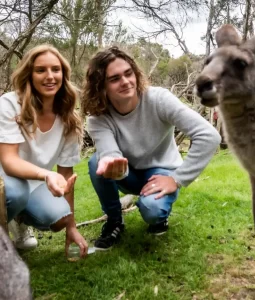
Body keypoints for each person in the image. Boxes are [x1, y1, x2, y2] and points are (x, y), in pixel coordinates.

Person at [81, 46, 221, 250]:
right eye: (115, 78)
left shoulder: (158, 99)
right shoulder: (98, 117)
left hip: (161, 170)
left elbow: (209, 136)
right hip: (127, 173)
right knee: (96, 162)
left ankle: (158, 217)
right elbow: (110, 153)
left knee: (153, 210)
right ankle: (114, 221)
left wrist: (177, 178)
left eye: (128, 73)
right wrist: (110, 164)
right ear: (101, 86)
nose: (126, 81)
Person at [0, 45, 88, 257]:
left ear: (63, 74)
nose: (50, 76)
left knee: (59, 216)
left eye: (56, 70)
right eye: (41, 70)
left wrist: (71, 226)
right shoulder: (10, 104)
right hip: (4, 179)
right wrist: (47, 174)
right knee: (16, 192)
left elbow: (67, 175)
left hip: (37, 183)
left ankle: (19, 222)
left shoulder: (68, 118)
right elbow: (9, 161)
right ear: (29, 74)